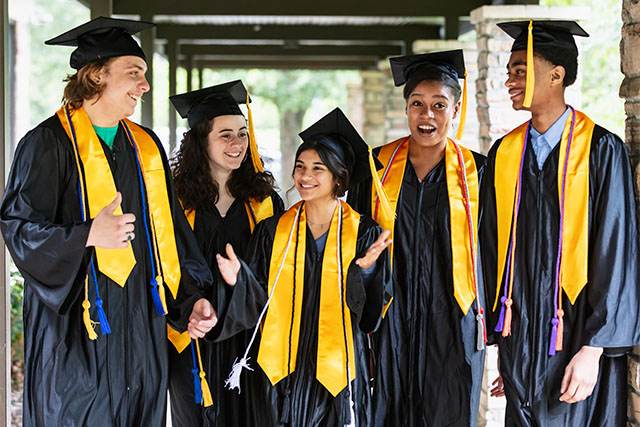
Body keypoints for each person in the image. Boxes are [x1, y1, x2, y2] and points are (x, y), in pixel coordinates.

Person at [0, 17, 217, 427]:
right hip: (79, 337)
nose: (145, 85)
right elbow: (19, 229)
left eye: (145, 75)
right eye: (134, 72)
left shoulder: (146, 147)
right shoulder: (47, 144)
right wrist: (85, 236)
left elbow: (171, 235)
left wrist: (190, 301)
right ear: (97, 75)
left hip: (142, 336)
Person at [480, 20, 640, 426]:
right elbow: (493, 248)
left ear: (556, 75)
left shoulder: (600, 150)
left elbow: (615, 251)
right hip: (522, 343)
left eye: (520, 70)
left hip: (574, 340)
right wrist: (509, 350)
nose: (509, 81)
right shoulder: (505, 155)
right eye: (509, 71)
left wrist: (594, 349)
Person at [214, 107, 393, 426]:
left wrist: (365, 271)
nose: (305, 177)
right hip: (282, 369)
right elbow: (257, 303)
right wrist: (240, 280)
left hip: (338, 372)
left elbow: (371, 316)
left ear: (339, 177)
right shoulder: (272, 231)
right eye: (300, 167)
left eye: (317, 168)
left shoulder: (364, 234)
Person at [347, 49, 487, 427]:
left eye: (439, 105)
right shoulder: (375, 168)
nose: (427, 115)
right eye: (417, 104)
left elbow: (492, 254)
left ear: (455, 110)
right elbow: (354, 247)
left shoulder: (480, 174)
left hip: (453, 320)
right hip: (390, 317)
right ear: (407, 108)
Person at [167, 80, 284, 427]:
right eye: (226, 135)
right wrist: (189, 310)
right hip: (190, 334)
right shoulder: (175, 202)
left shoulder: (263, 202)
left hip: (248, 335)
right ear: (201, 140)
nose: (238, 144)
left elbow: (276, 271)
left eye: (242, 134)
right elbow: (164, 265)